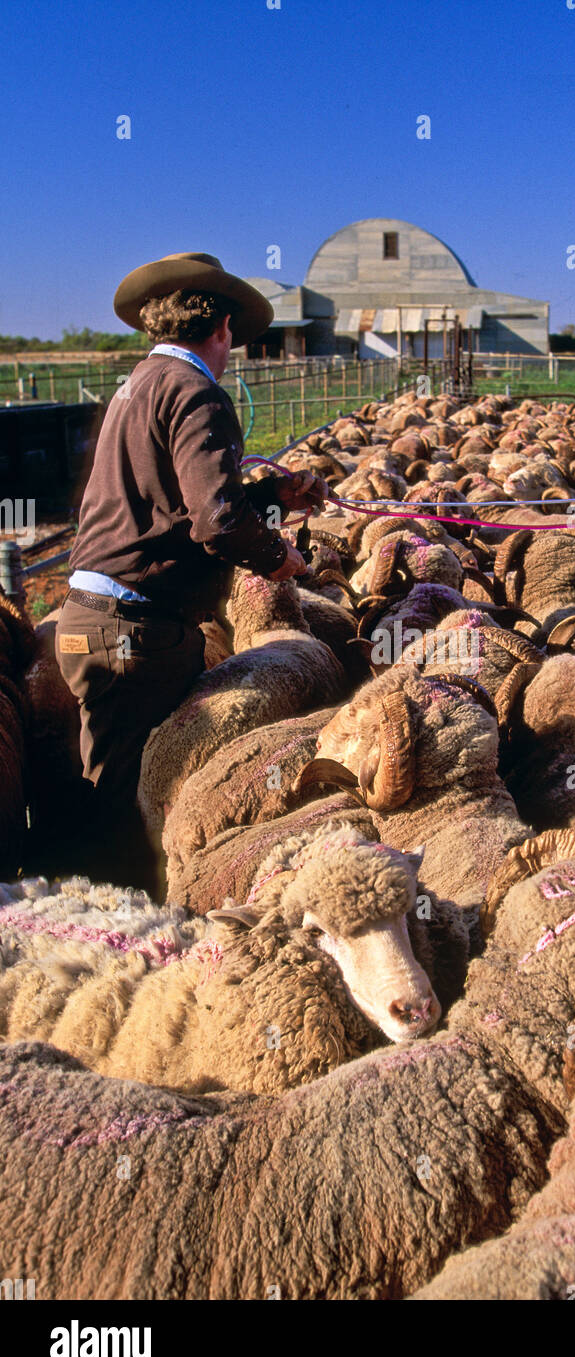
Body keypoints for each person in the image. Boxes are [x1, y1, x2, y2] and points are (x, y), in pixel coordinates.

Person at [55, 251, 328, 893]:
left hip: (89, 615)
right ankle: (126, 923)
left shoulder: (138, 386)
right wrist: (279, 559)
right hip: (137, 631)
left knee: (107, 775)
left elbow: (172, 506)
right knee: (136, 800)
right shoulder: (196, 391)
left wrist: (271, 497)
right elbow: (214, 522)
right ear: (222, 327)